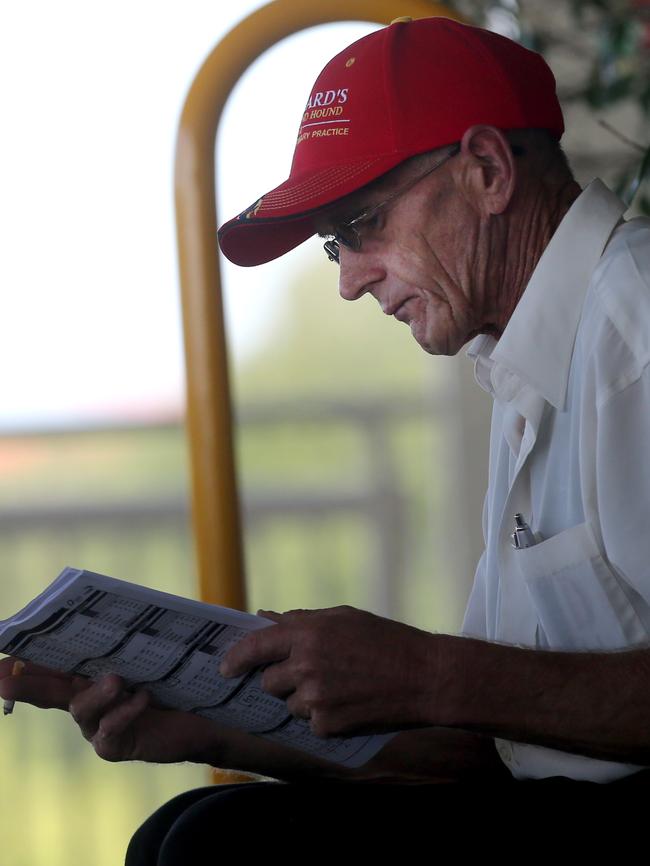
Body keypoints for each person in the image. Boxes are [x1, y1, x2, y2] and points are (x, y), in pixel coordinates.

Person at [2, 15, 650, 860]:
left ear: (486, 171)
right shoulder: (524, 362)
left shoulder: (633, 331)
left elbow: (486, 718)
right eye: (333, 246)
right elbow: (497, 752)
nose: (348, 281)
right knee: (190, 830)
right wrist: (207, 731)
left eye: (363, 226)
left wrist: (427, 674)